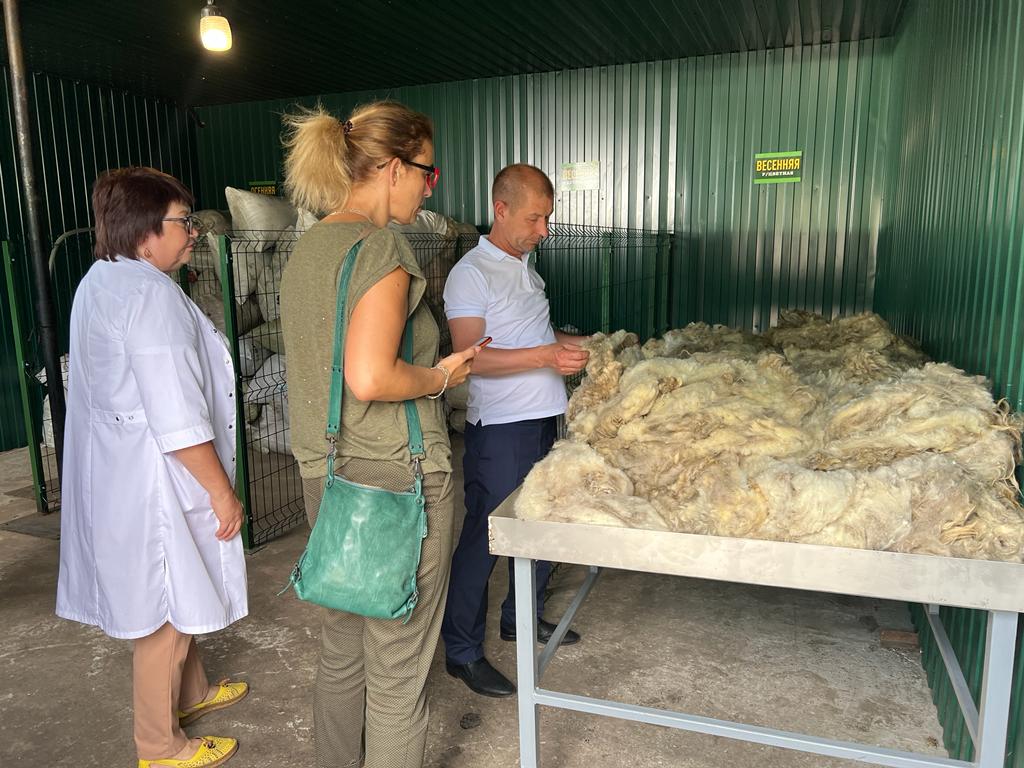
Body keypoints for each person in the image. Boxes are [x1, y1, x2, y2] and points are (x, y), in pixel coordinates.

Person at [279, 102, 478, 768]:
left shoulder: (310, 247)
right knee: (397, 672)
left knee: (342, 651)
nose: (429, 188)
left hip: (326, 474)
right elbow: (369, 376)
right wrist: (441, 376)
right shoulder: (382, 249)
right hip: (397, 479)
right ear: (394, 168)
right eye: (427, 172)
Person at [56, 167, 250, 768]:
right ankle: (160, 747)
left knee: (179, 588)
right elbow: (178, 417)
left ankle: (192, 693)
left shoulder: (102, 280)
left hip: (124, 472)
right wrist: (222, 492)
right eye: (182, 222)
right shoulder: (150, 296)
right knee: (165, 611)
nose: (193, 233)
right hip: (156, 481)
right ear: (145, 234)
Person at [441, 163, 591, 697]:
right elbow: (470, 359)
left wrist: (587, 344)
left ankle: (519, 618)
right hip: (502, 429)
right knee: (486, 539)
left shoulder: (526, 267)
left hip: (543, 418)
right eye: (534, 218)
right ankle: (461, 652)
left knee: (541, 523)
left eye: (547, 218)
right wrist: (547, 356)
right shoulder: (472, 274)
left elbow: (537, 336)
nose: (543, 230)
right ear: (500, 209)